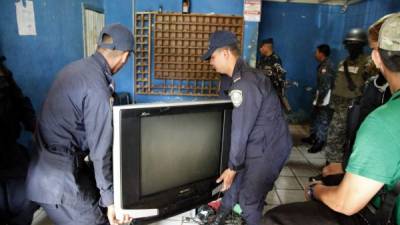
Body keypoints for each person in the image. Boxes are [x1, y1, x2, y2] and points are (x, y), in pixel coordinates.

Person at [263, 13, 400, 225]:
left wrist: (316, 191)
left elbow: (346, 203)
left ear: (376, 58)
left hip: (382, 215)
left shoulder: (385, 120)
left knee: (275, 218)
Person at [26, 24, 133, 225]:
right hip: (57, 180)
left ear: (99, 46)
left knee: (99, 201)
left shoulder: (74, 69)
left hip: (45, 164)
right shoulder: (98, 89)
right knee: (98, 220)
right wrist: (112, 204)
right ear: (125, 57)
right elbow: (100, 152)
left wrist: (107, 198)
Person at [201, 31, 292, 225]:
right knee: (231, 190)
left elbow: (240, 129)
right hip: (256, 141)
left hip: (268, 148)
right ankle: (223, 218)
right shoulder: (234, 77)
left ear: (226, 53)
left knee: (249, 201)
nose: (211, 62)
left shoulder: (245, 83)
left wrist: (233, 166)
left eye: (213, 57)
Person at [324, 28, 378, 163]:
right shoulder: (343, 63)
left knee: (351, 140)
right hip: (338, 107)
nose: (351, 47)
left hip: (355, 108)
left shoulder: (368, 63)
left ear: (362, 46)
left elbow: (371, 88)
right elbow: (337, 85)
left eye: (355, 44)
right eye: (349, 44)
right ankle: (331, 167)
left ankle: (342, 171)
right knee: (333, 138)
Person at [0, 55, 38, 225]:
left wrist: (34, 127)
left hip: (11, 153)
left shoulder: (4, 75)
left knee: (29, 198)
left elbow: (21, 103)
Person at [302, 44, 335, 153]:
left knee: (323, 120)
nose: (315, 54)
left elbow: (326, 85)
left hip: (325, 98)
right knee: (315, 117)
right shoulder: (323, 65)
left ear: (321, 53)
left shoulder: (327, 66)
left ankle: (320, 142)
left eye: (316, 52)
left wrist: (320, 100)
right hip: (320, 95)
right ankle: (313, 137)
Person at [256, 38, 290, 112]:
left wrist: (278, 91)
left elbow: (280, 77)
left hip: (273, 91)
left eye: (261, 47)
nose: (260, 49)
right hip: (262, 90)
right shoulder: (262, 58)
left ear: (266, 47)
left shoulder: (275, 59)